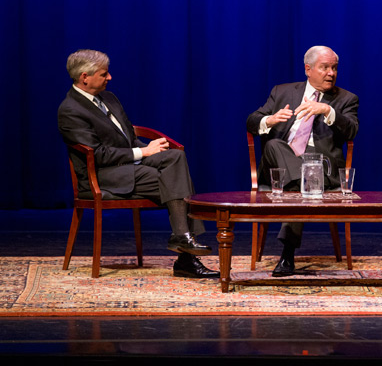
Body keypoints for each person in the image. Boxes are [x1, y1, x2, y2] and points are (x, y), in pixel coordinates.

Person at [58, 49, 218, 279]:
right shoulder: (70, 110)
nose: (109, 77)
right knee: (175, 182)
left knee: (175, 157)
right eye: (104, 74)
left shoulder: (109, 98)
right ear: (85, 77)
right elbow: (98, 155)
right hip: (102, 175)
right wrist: (143, 151)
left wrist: (150, 148)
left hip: (128, 166)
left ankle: (182, 239)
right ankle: (186, 255)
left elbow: (129, 138)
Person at [247, 45, 359, 277]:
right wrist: (270, 120)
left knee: (302, 180)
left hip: (322, 171)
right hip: (279, 164)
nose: (331, 73)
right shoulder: (282, 92)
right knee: (274, 144)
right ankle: (301, 187)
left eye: (334, 68)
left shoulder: (346, 99)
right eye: (325, 67)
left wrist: (328, 110)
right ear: (308, 69)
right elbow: (251, 121)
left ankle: (287, 254)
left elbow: (351, 131)